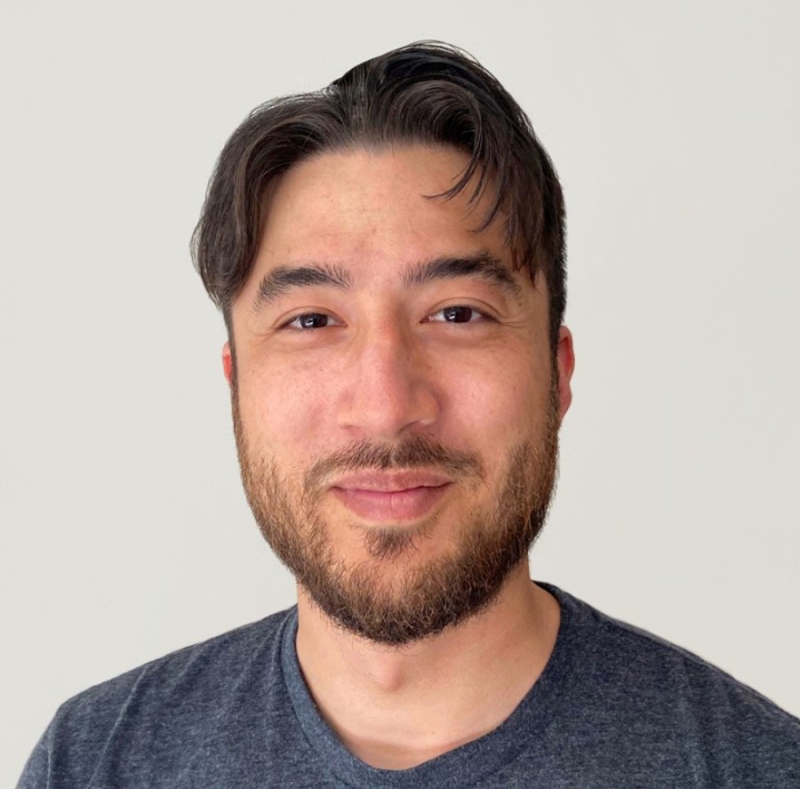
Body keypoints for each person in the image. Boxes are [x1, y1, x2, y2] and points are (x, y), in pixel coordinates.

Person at [17, 41, 800, 788]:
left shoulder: (759, 769)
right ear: (236, 387)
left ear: (556, 375)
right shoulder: (96, 764)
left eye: (457, 314)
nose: (387, 407)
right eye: (312, 321)